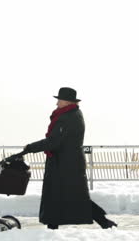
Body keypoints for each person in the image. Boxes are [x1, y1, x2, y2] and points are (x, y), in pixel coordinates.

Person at [24, 87, 117, 230]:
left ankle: (103, 222)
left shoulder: (68, 118)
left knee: (71, 197)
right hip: (66, 163)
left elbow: (53, 141)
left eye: (59, 100)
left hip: (66, 165)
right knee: (65, 196)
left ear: (67, 102)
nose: (57, 104)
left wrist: (31, 147)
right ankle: (53, 226)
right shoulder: (71, 115)